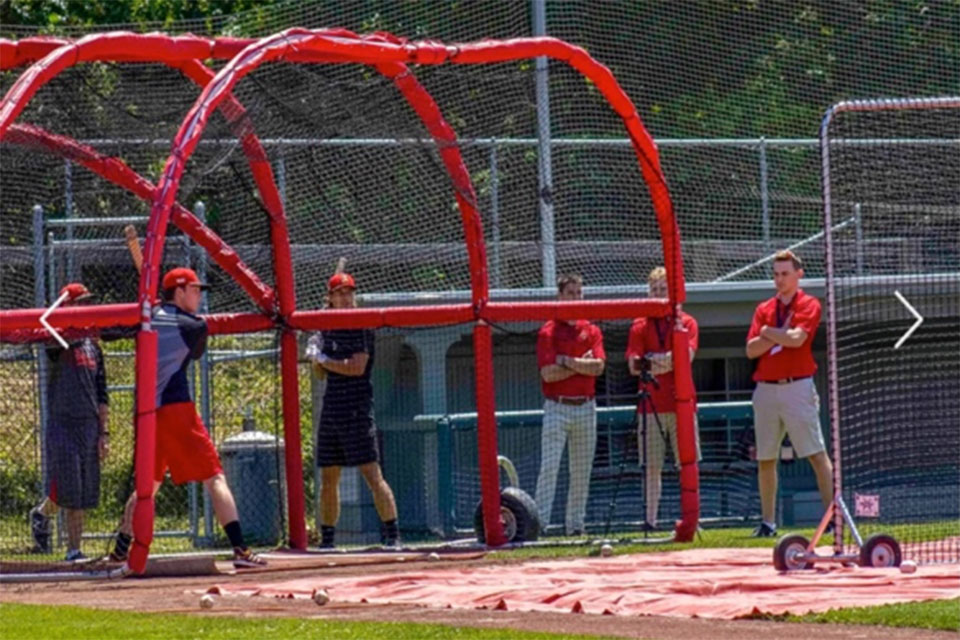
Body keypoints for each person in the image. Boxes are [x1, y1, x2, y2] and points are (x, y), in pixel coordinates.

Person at [110, 267, 265, 568]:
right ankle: (241, 551)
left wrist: (148, 314)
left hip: (145, 413)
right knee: (214, 476)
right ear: (178, 291)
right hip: (176, 408)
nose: (198, 296)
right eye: (193, 290)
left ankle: (120, 548)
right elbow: (194, 349)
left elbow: (110, 332)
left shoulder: (143, 317)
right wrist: (156, 314)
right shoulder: (193, 325)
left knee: (148, 486)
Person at [305, 272, 400, 549]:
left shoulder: (361, 324)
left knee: (372, 474)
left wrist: (324, 358)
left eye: (350, 293)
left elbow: (356, 367)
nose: (346, 298)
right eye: (340, 293)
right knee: (328, 477)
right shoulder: (325, 327)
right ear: (330, 299)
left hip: (357, 409)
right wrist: (315, 356)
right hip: (332, 408)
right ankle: (328, 539)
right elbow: (321, 376)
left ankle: (393, 536)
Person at [746, 250, 833, 537]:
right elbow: (750, 350)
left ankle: (832, 517)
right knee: (766, 458)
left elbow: (797, 339)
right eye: (775, 274)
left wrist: (769, 333)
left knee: (816, 454)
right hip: (766, 389)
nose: (779, 279)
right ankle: (768, 522)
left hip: (797, 386)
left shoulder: (808, 304)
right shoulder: (764, 309)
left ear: (799, 274)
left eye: (784, 273)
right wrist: (776, 331)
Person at [29, 283, 109, 561]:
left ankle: (52, 525)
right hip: (63, 423)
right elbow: (48, 331)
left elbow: (102, 393)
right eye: (81, 303)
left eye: (89, 303)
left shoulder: (93, 345)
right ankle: (72, 550)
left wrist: (104, 432)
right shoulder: (57, 339)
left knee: (84, 491)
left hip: (89, 425)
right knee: (69, 489)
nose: (87, 308)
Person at [625, 267, 700, 531]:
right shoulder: (639, 324)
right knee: (651, 467)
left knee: (687, 465)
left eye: (663, 290)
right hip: (650, 405)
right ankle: (650, 520)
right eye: (655, 290)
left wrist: (654, 361)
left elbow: (685, 360)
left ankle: (691, 520)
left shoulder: (687, 322)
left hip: (682, 404)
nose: (659, 295)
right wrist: (664, 361)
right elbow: (634, 365)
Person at [534, 274, 606, 536]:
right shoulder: (548, 330)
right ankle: (539, 525)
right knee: (549, 468)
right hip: (557, 407)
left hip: (586, 407)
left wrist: (566, 360)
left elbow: (598, 367)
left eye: (579, 293)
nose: (576, 298)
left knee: (581, 470)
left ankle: (575, 526)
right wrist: (579, 364)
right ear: (560, 296)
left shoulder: (592, 329)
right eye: (570, 293)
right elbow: (548, 374)